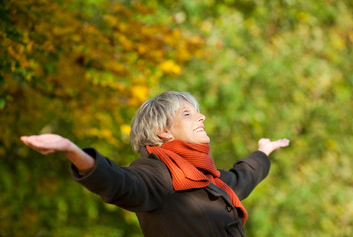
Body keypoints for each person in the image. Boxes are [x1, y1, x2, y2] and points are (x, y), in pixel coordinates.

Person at [20, 91, 290, 237]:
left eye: (198, 112)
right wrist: (72, 150)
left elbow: (241, 177)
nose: (202, 117)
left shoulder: (206, 176)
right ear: (164, 132)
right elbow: (118, 183)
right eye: (188, 113)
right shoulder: (156, 173)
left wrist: (262, 152)